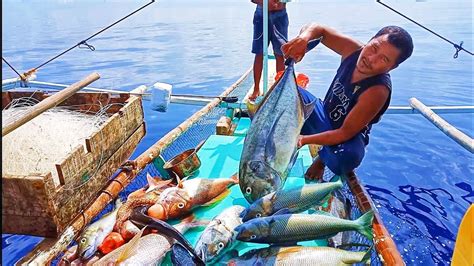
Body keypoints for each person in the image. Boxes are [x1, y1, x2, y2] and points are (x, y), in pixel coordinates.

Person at [281, 23, 414, 181]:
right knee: (282, 95)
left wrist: (302, 140)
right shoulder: (352, 50)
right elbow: (319, 29)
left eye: (383, 59)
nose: (371, 59)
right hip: (324, 113)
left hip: (346, 135)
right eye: (374, 47)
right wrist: (303, 39)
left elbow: (344, 133)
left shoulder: (378, 91)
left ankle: (322, 160)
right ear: (370, 40)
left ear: (392, 67)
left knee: (347, 157)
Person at [249, 0, 289, 101]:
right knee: (259, 53)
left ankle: (279, 90)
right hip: (261, 14)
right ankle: (256, 88)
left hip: (281, 14)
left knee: (280, 54)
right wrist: (265, 2)